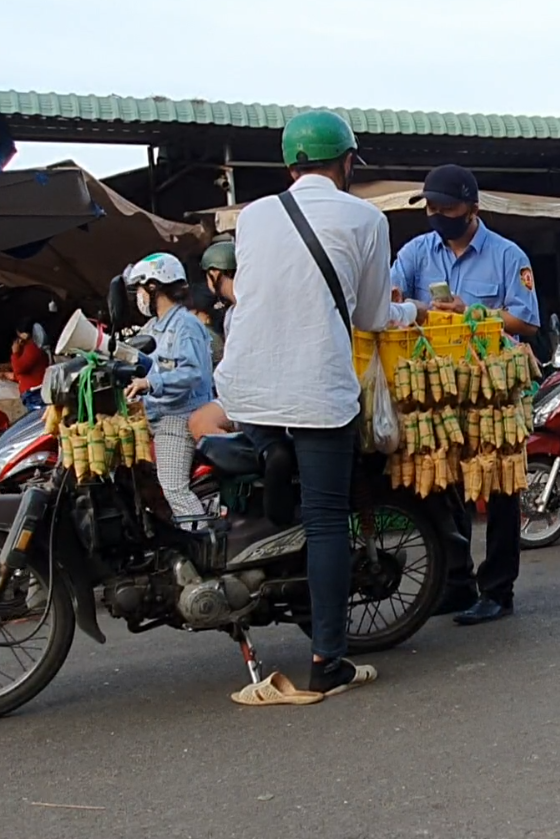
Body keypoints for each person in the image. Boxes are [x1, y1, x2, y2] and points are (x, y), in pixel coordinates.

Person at [217, 110, 422, 695]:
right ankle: (327, 659)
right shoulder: (365, 218)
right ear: (347, 161)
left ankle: (272, 503)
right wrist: (414, 312)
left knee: (270, 475)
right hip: (317, 391)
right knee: (329, 520)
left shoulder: (253, 217)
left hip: (248, 387)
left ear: (290, 165)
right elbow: (372, 317)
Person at [392, 163, 539, 626]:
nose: (437, 214)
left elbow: (526, 321)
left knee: (499, 490)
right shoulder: (416, 252)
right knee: (439, 486)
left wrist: (471, 312)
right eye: (431, 207)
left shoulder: (507, 255)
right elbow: (391, 297)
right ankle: (455, 582)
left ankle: (498, 590)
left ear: (472, 209)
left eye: (446, 208)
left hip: (490, 392)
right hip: (433, 391)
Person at [124, 253, 215, 522]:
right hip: (154, 417)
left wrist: (152, 383)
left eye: (140, 288)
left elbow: (193, 374)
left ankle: (201, 539)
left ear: (154, 287)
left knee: (174, 489)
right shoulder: (152, 328)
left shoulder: (185, 325)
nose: (138, 296)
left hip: (178, 419)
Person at [9, 320, 49, 411]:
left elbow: (19, 368)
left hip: (34, 393)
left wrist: (15, 353)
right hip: (33, 393)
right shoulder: (29, 348)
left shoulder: (32, 348)